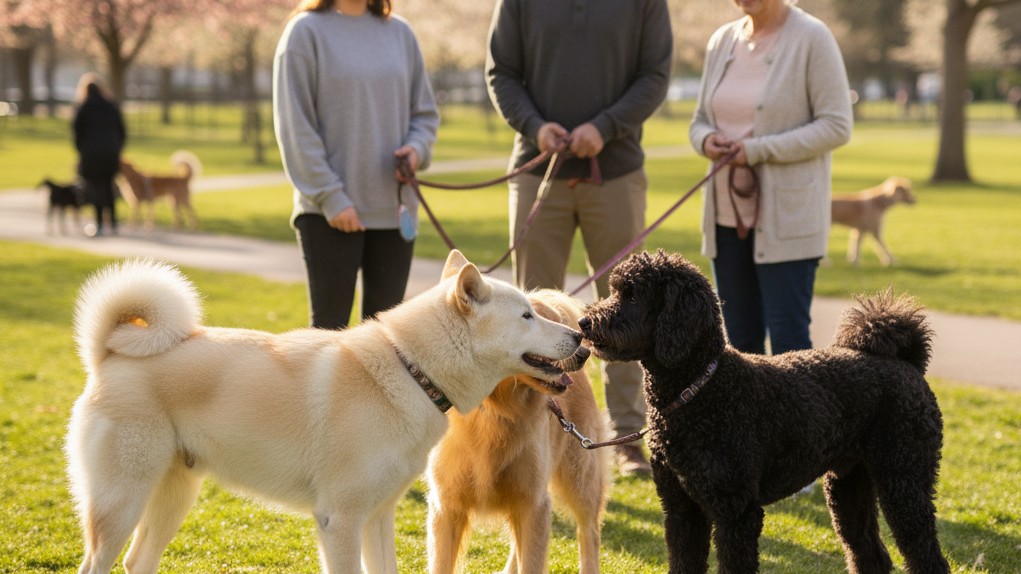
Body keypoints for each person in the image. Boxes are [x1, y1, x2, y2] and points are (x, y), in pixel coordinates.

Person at [486, 0, 673, 476]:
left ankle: (628, 436)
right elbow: (501, 72)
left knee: (626, 306)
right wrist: (534, 126)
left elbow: (653, 75)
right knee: (531, 313)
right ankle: (536, 437)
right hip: (538, 170)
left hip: (614, 173)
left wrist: (605, 127)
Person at [690, 0, 852, 356]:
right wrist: (706, 140)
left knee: (789, 343)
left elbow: (837, 125)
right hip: (725, 218)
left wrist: (758, 149)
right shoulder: (722, 41)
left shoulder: (812, 37)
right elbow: (699, 120)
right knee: (738, 346)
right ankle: (747, 416)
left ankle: (801, 415)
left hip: (787, 220)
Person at [273, 0, 439, 329]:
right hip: (329, 214)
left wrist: (416, 150)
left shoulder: (401, 33)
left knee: (389, 345)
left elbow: (424, 115)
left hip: (395, 214)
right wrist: (331, 197)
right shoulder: (305, 32)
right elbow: (295, 126)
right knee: (327, 336)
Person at [72, 73, 126, 237]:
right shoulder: (111, 106)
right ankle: (114, 223)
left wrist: (81, 151)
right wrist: (116, 148)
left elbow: (77, 134)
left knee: (95, 188)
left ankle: (100, 224)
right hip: (110, 152)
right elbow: (122, 131)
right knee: (109, 186)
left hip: (91, 154)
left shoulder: (83, 108)